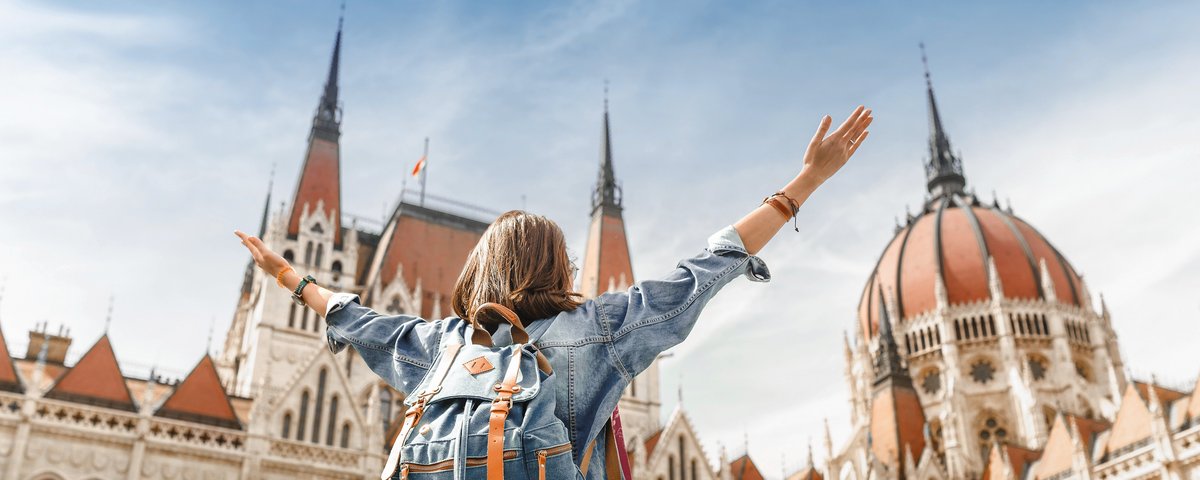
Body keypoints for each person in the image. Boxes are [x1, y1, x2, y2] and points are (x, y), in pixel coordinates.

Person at [235, 106, 871, 478]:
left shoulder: (439, 345)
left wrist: (290, 276)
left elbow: (355, 317)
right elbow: (707, 267)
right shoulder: (599, 331)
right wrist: (802, 185)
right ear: (561, 270)